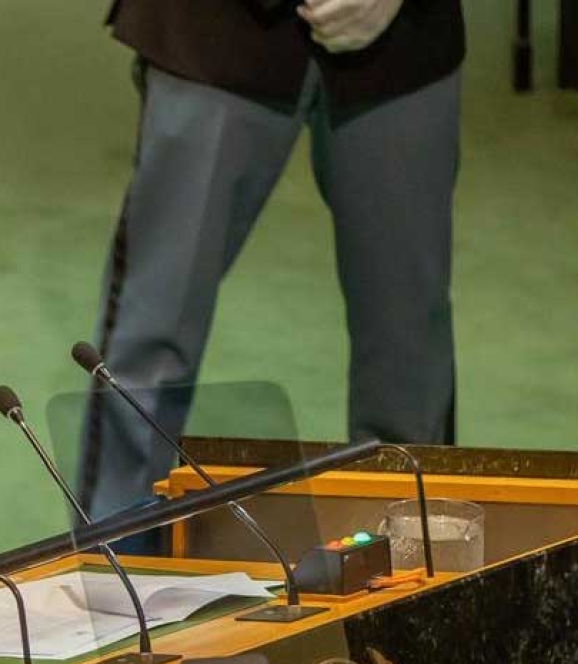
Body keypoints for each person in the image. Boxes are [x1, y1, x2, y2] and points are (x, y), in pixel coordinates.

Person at [81, 0, 465, 517]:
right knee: (151, 342)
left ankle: (410, 577)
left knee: (408, 353)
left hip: (403, 42)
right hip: (212, 32)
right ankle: (114, 566)